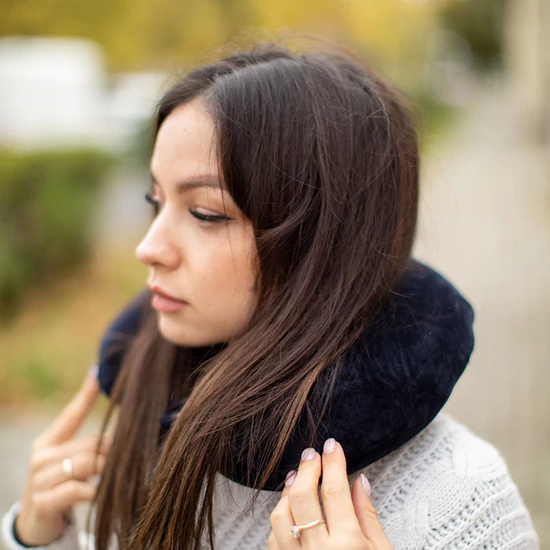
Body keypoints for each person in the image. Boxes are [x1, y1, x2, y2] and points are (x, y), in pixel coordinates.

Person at [1, 42, 539, 550]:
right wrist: (37, 536)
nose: (148, 247)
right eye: (154, 199)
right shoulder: (151, 407)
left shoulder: (462, 494)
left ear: (322, 245)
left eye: (205, 213)